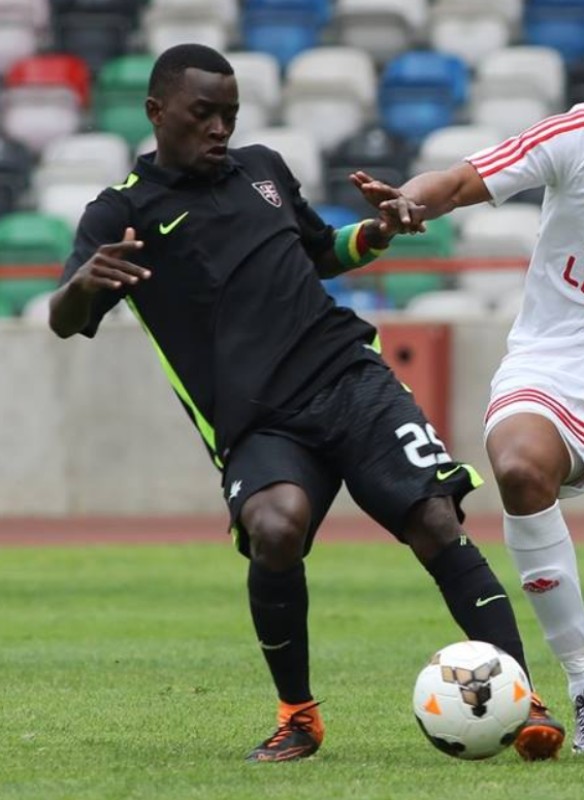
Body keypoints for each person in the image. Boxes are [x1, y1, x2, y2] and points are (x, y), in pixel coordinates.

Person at [48, 43, 563, 763]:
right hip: (257, 419)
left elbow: (323, 251)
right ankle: (298, 716)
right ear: (157, 112)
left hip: (350, 379)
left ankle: (525, 699)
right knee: (275, 526)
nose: (220, 128)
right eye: (203, 114)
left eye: (230, 114)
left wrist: (377, 232)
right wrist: (81, 286)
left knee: (434, 518)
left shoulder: (262, 170)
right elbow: (64, 320)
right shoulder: (121, 213)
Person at [352, 103, 584, 755]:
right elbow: (456, 183)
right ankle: (583, 681)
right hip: (556, 360)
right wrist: (408, 200)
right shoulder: (575, 135)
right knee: (519, 465)